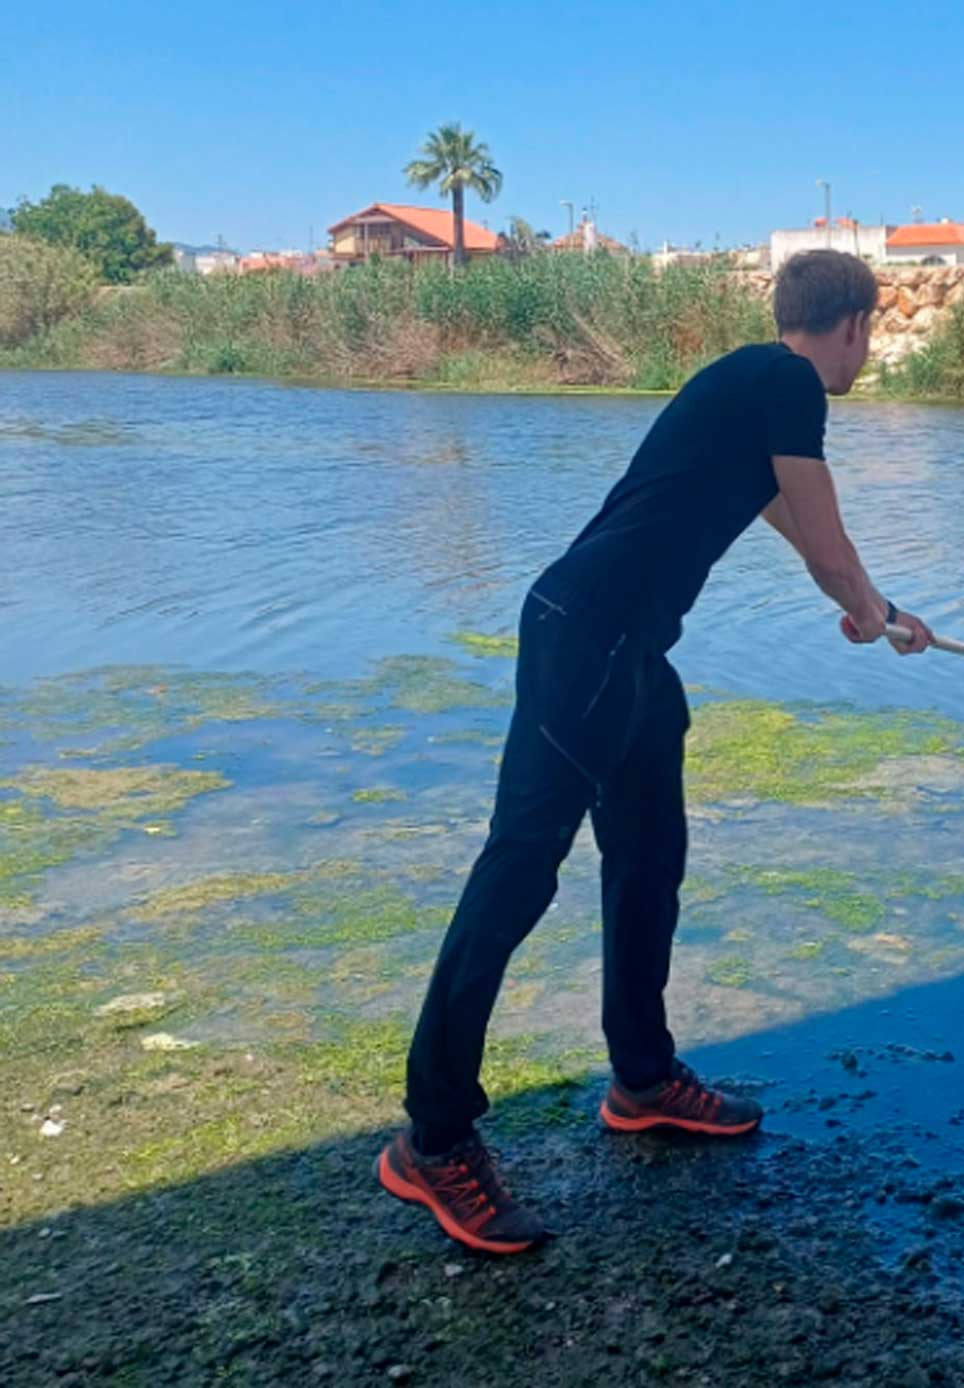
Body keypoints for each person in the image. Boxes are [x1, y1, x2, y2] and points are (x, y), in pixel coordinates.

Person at [376, 250, 933, 1255]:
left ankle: (641, 1077)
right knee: (516, 873)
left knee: (648, 858)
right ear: (851, 323)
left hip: (629, 650)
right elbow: (831, 538)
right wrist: (879, 609)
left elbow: (802, 535)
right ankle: (434, 1135)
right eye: (870, 331)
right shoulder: (788, 382)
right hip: (582, 633)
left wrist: (861, 605)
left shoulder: (752, 388)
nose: (867, 350)